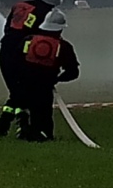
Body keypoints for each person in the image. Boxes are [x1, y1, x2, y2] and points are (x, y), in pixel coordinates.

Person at [0, 0, 64, 137]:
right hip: (23, 57)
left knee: (17, 92)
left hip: (5, 52)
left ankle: (5, 126)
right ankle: (21, 125)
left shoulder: (20, 6)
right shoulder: (45, 15)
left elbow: (8, 28)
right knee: (23, 93)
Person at [13, 8, 80, 142]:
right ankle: (42, 134)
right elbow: (73, 72)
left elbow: (15, 60)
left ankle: (24, 128)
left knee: (23, 107)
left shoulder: (28, 40)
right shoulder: (63, 47)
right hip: (44, 87)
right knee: (43, 113)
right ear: (60, 29)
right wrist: (57, 79)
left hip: (22, 84)